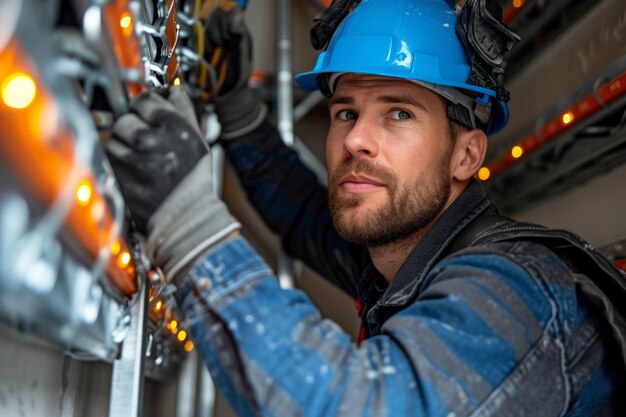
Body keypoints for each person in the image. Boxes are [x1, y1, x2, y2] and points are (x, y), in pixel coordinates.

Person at [106, 0, 626, 415]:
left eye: (398, 113)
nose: (357, 139)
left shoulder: (523, 290)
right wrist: (238, 108)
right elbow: (304, 215)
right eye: (345, 112)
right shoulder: (398, 254)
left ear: (466, 154)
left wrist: (186, 222)